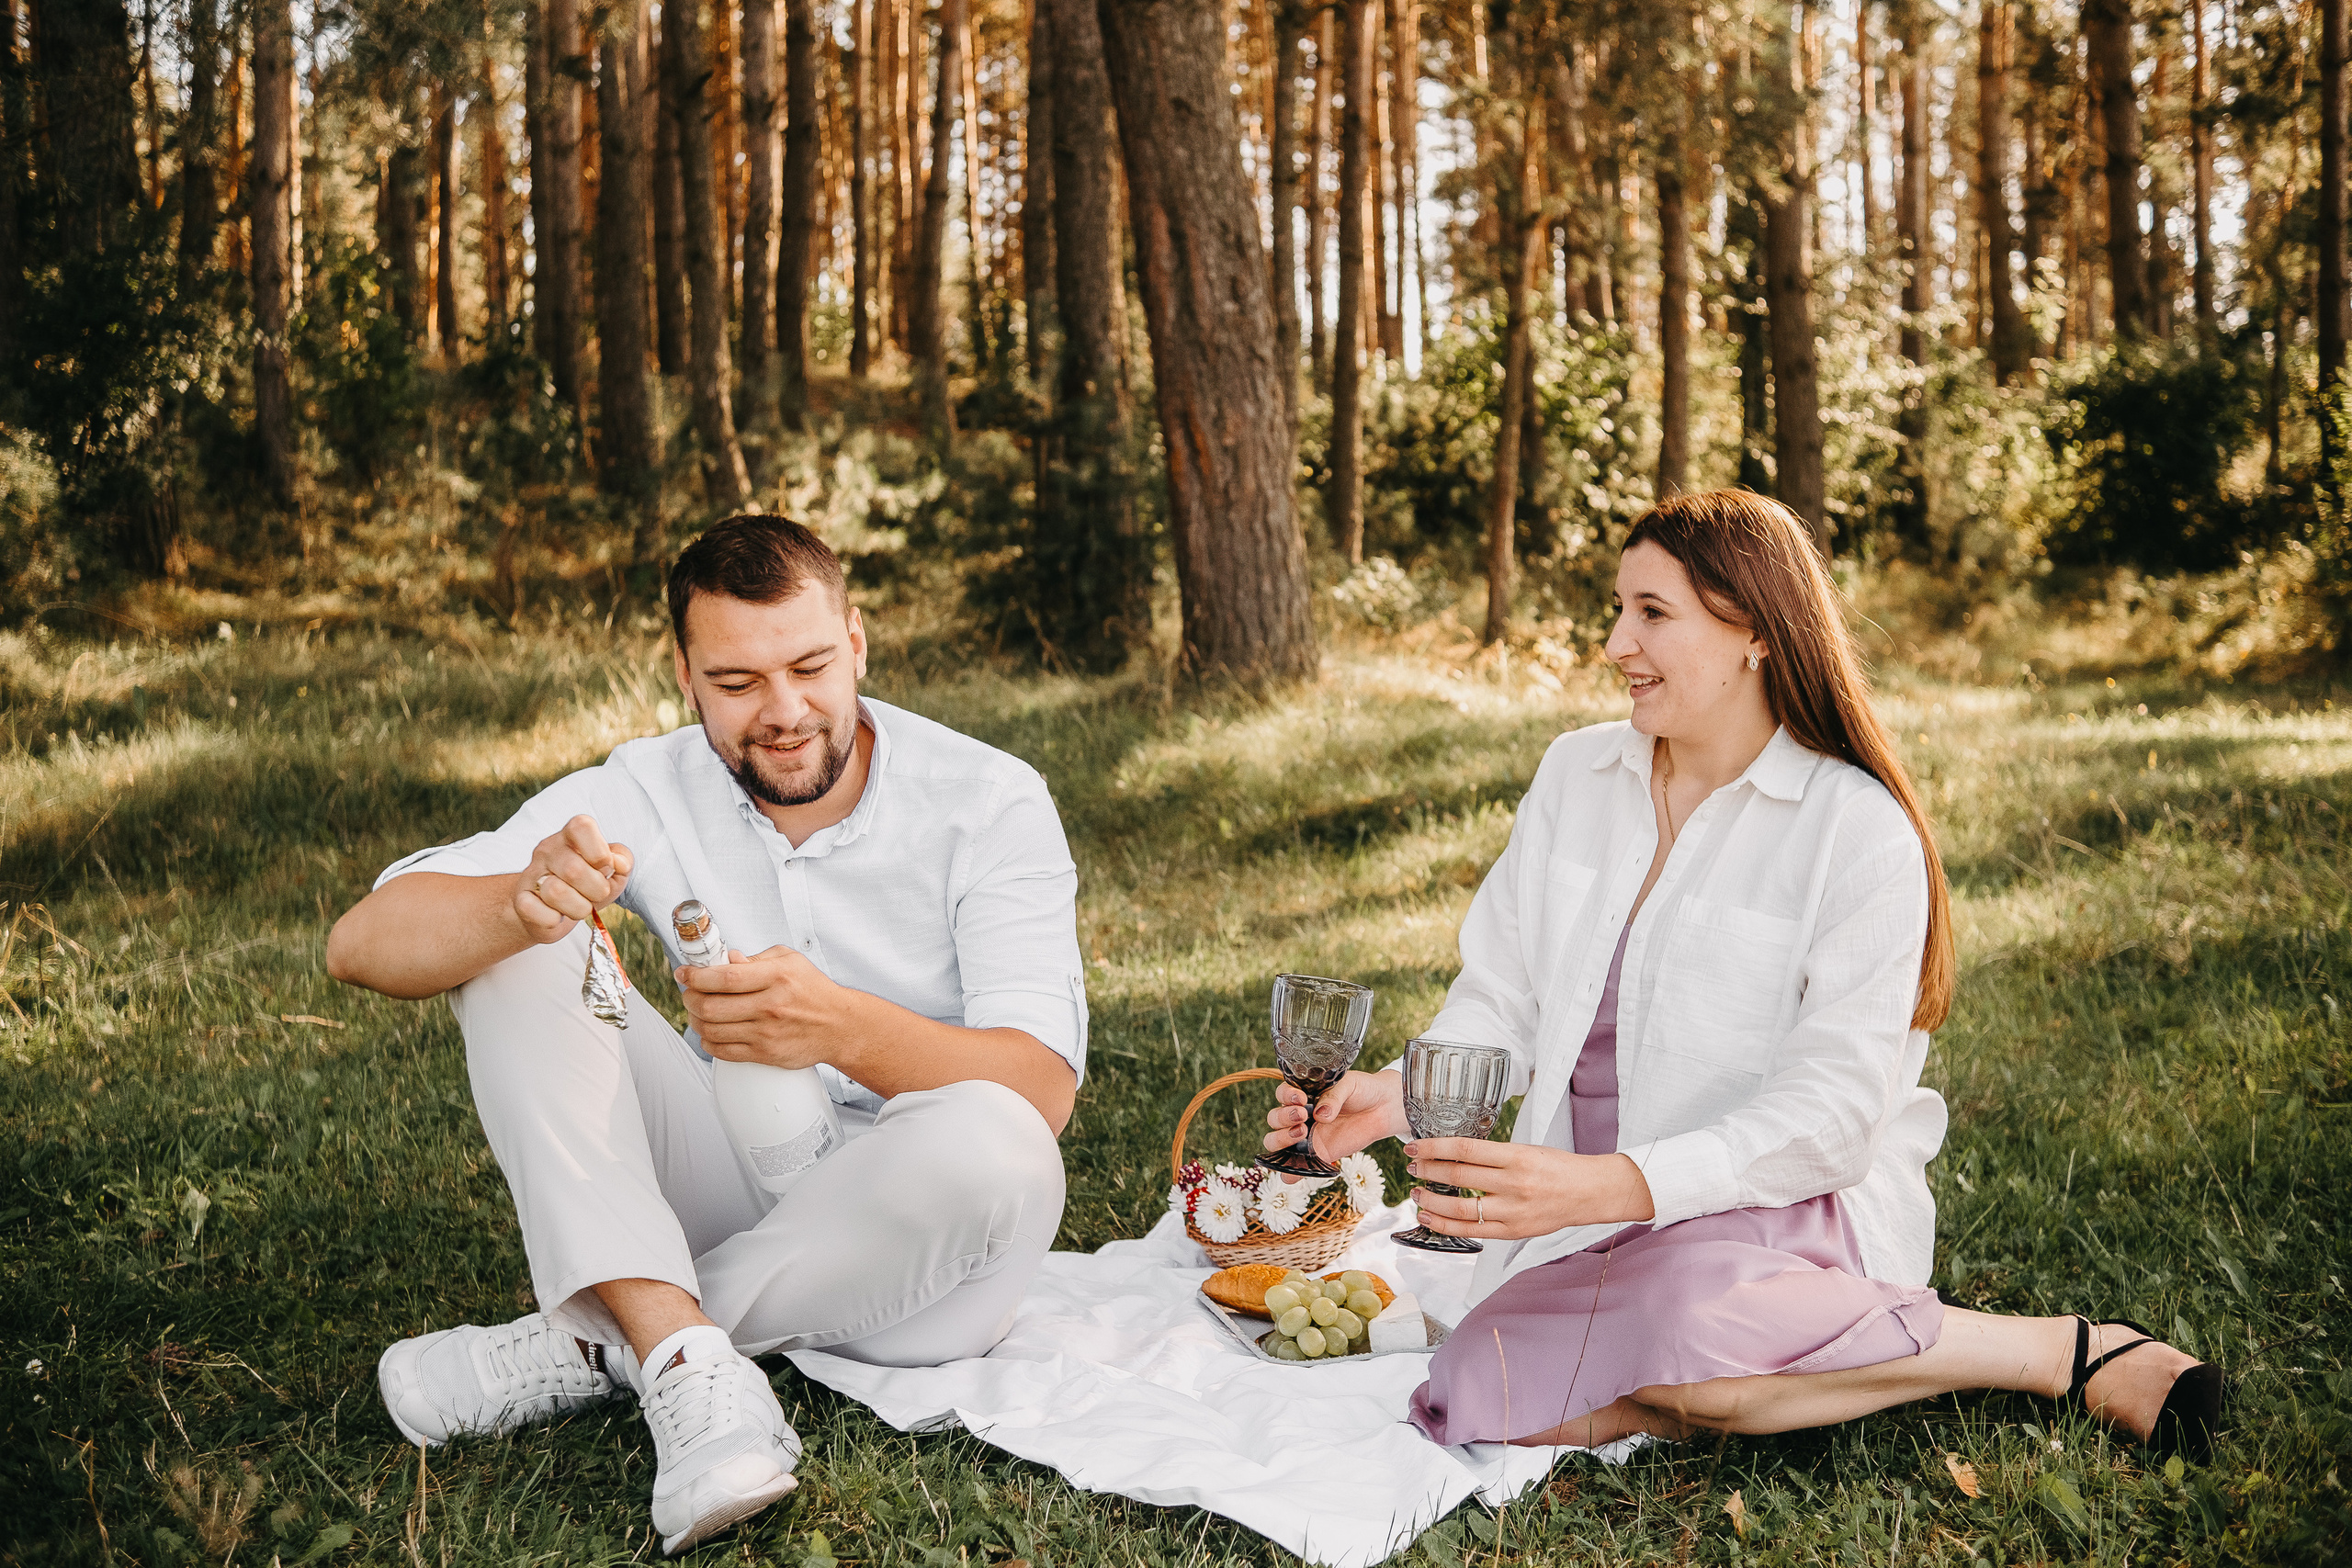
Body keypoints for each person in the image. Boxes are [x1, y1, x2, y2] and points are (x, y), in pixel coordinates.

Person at [1264, 490, 2222, 1458]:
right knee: (1474, 1386)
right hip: (1585, 1218)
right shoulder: (1574, 776)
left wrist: (1613, 1187)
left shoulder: (1853, 830)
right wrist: (1399, 1093)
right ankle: (1707, 1380)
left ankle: (2056, 1353)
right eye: (1617, 608)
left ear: (1754, 632)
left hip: (1778, 1214)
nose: (1613, 643)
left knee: (1691, 1328)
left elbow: (1832, 1118)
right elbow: (1502, 992)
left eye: (1651, 613)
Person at [327, 515, 1083, 1555]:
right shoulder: (646, 785)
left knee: (997, 1139)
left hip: (940, 1260)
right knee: (521, 931)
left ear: (857, 642)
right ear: (685, 674)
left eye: (811, 667)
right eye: (736, 684)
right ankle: (683, 1354)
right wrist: (519, 901)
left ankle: (607, 1337)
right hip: (733, 1174)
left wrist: (841, 1027)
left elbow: (1041, 1088)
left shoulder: (990, 800)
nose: (783, 713)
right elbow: (362, 942)